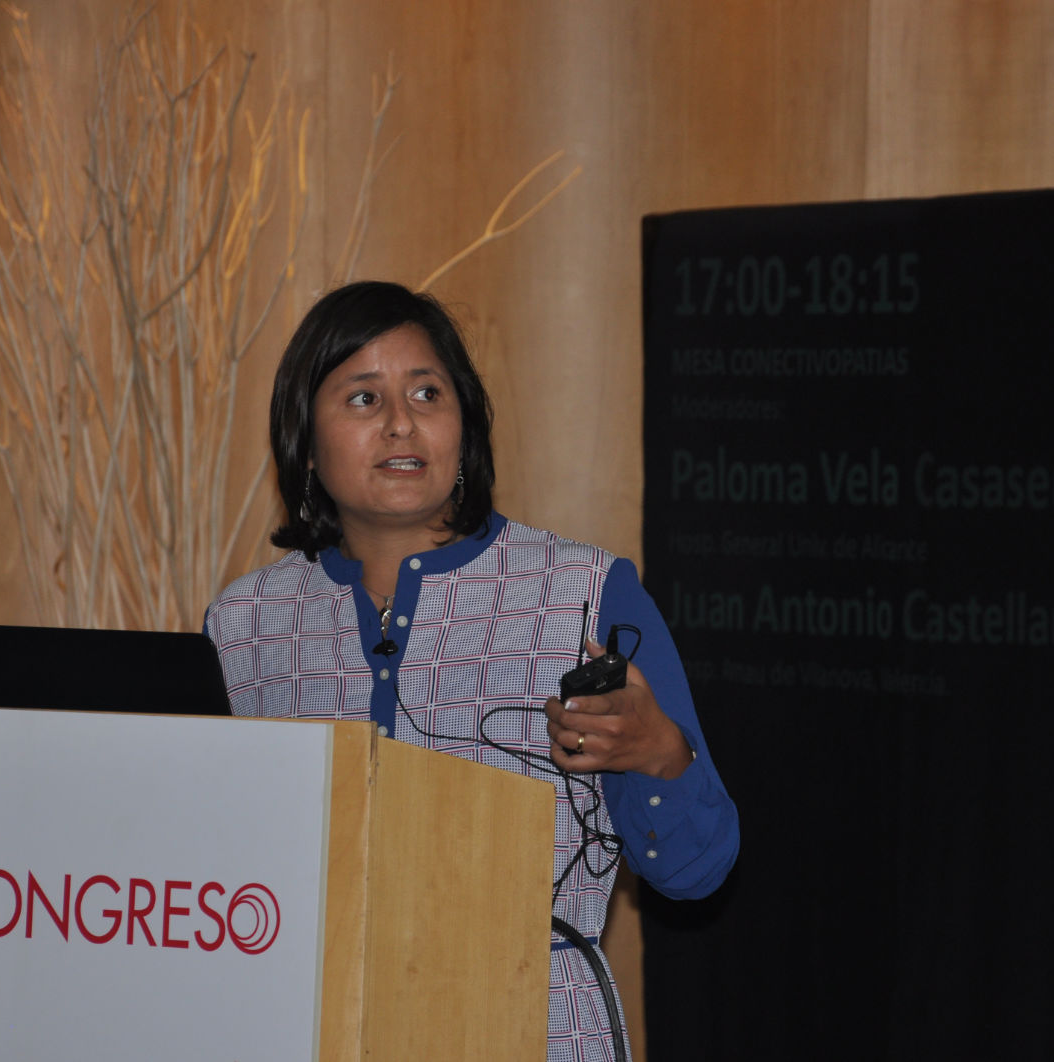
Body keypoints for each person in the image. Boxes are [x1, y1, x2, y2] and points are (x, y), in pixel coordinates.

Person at [205, 281, 738, 1062]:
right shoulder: (243, 624)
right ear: (304, 439)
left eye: (428, 392)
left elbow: (696, 872)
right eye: (363, 397)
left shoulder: (587, 595)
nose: (401, 421)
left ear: (466, 427)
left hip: (530, 1030)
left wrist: (658, 754)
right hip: (309, 1029)